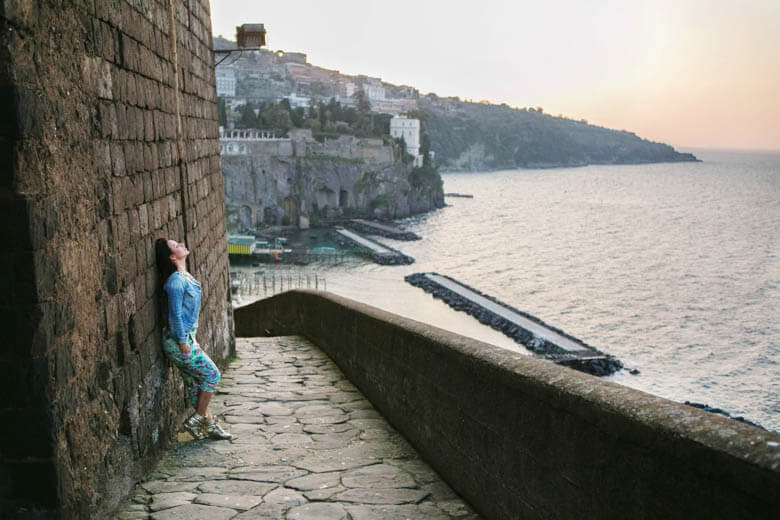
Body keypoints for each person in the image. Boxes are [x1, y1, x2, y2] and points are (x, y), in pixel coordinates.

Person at [155, 238, 232, 440]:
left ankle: (208, 424)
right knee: (212, 375)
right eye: (176, 245)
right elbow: (175, 316)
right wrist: (182, 343)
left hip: (187, 339)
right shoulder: (176, 282)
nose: (181, 243)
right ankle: (198, 419)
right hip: (178, 341)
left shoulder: (184, 276)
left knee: (195, 385)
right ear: (172, 256)